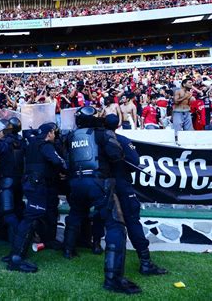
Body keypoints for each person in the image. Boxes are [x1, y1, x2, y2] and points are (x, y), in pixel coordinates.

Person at [63, 106, 141, 294]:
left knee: (75, 215)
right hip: (98, 181)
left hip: (75, 182)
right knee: (115, 225)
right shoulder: (102, 134)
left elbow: (67, 160)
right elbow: (116, 156)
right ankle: (113, 279)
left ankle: (68, 249)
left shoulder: (69, 136)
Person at [105, 114, 167, 276]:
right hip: (122, 185)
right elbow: (135, 162)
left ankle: (102, 252)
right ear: (118, 125)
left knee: (110, 222)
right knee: (132, 221)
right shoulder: (123, 140)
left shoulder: (97, 140)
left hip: (104, 186)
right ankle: (145, 263)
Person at [5, 122, 67, 273]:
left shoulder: (32, 143)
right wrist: (65, 169)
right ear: (50, 133)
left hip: (30, 183)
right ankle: (16, 258)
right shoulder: (45, 145)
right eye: (54, 133)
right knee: (30, 219)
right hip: (37, 184)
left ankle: (15, 253)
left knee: (32, 217)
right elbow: (57, 161)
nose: (54, 135)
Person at [0, 117, 24, 243]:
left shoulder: (1, 143)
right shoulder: (23, 141)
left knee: (7, 210)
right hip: (19, 179)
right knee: (17, 208)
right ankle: (13, 236)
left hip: (6, 179)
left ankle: (13, 238)